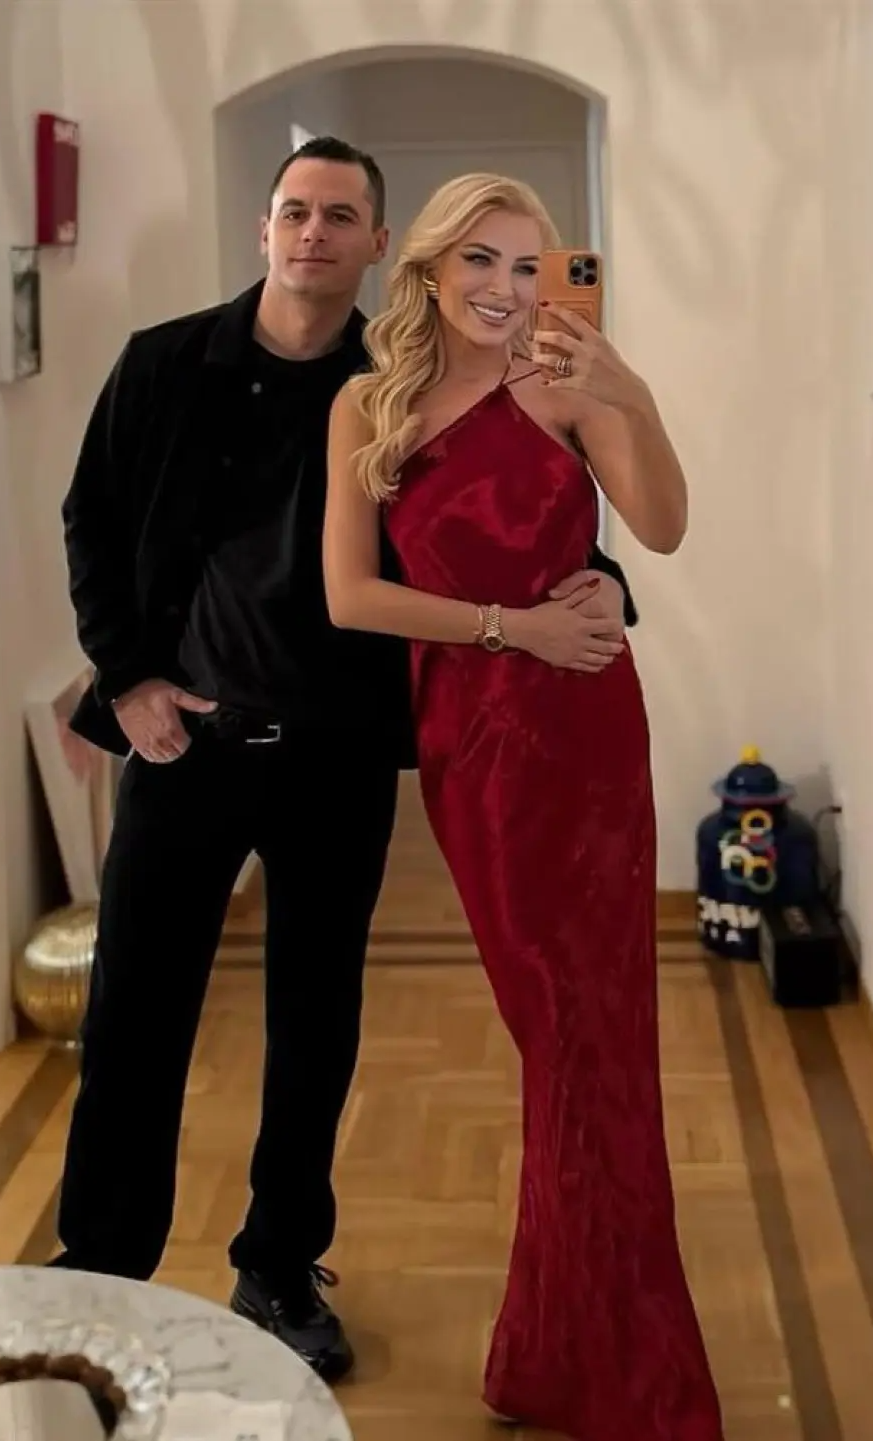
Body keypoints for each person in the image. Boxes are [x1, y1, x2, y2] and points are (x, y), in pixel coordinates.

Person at [51, 138, 639, 1384]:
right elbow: (90, 521)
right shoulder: (162, 363)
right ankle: (101, 1269)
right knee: (133, 1015)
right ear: (264, 229)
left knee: (316, 1024)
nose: (312, 232)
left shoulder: (403, 377)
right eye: (293, 211)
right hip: (186, 738)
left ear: (379, 245)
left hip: (335, 752)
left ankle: (278, 1264)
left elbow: (500, 513)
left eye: (339, 215)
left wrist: (604, 581)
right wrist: (128, 678)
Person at [323, 172, 723, 1439]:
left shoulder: (564, 383)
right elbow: (350, 597)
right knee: (558, 1040)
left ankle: (608, 1369)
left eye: (527, 265)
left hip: (588, 734)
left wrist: (630, 393)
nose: (504, 289)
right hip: (474, 742)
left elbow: (662, 527)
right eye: (481, 262)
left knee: (594, 1046)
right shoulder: (367, 406)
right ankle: (563, 1354)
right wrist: (515, 627)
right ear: (431, 269)